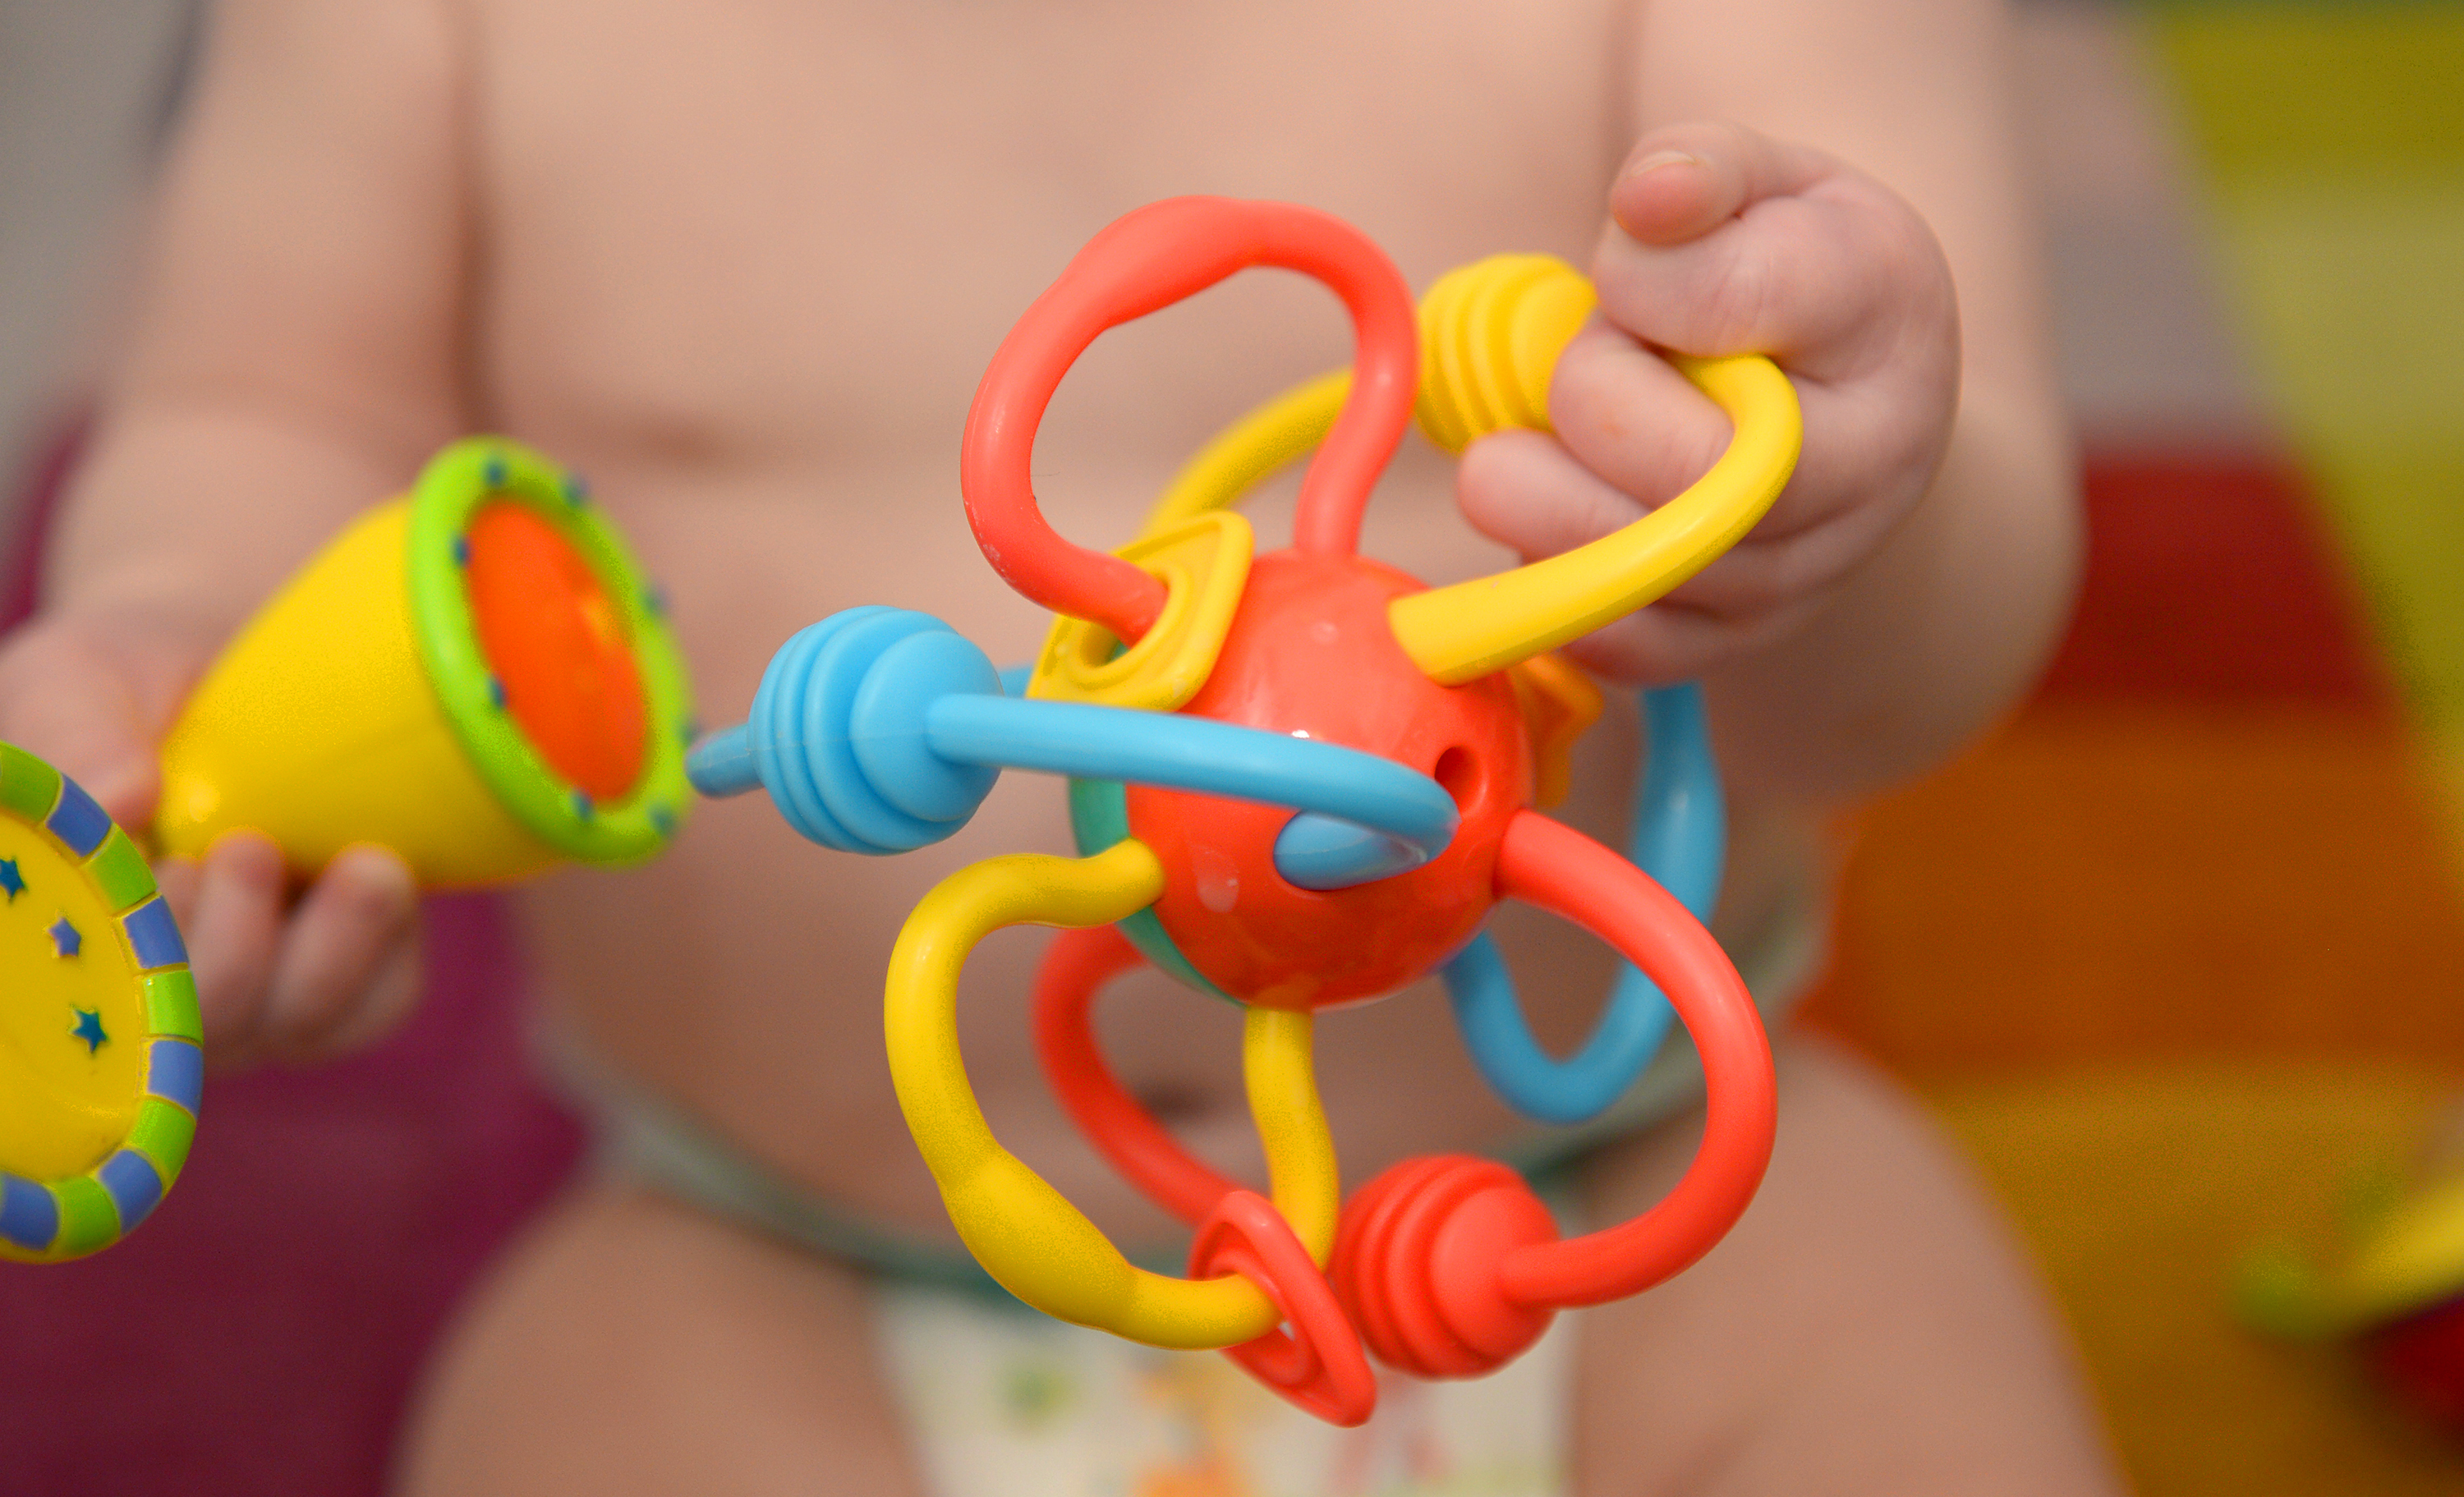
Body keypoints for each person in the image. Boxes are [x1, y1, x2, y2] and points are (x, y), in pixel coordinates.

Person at [0, 0, 2122, 1490]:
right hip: (783, 1267)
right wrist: (182, 630)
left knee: (1894, 1346)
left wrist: (1836, 527)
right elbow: (270, 407)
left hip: (1622, 1223)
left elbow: (1910, 686)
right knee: (557, 1413)